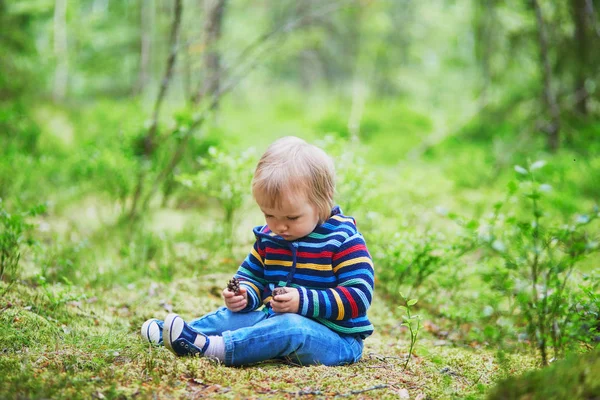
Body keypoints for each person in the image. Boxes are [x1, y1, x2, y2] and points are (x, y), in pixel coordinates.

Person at [141, 136, 374, 366]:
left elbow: (359, 296)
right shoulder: (270, 238)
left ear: (322, 202)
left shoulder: (343, 238)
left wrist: (302, 301)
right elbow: (252, 277)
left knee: (292, 327)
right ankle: (176, 335)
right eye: (269, 215)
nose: (279, 226)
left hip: (335, 339)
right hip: (275, 321)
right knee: (235, 317)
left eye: (292, 217)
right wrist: (245, 294)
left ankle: (213, 349)